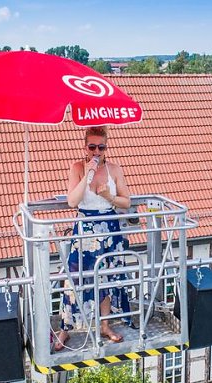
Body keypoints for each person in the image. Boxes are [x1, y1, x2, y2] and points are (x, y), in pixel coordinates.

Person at [55, 126, 132, 351]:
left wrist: (108, 195)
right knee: (75, 278)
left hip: (109, 229)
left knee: (106, 278)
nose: (96, 151)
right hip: (85, 230)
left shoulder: (115, 170)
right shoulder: (77, 168)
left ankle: (104, 325)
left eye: (101, 147)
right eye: (92, 147)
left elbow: (126, 202)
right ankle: (65, 330)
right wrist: (87, 174)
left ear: (106, 147)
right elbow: (72, 201)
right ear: (85, 146)